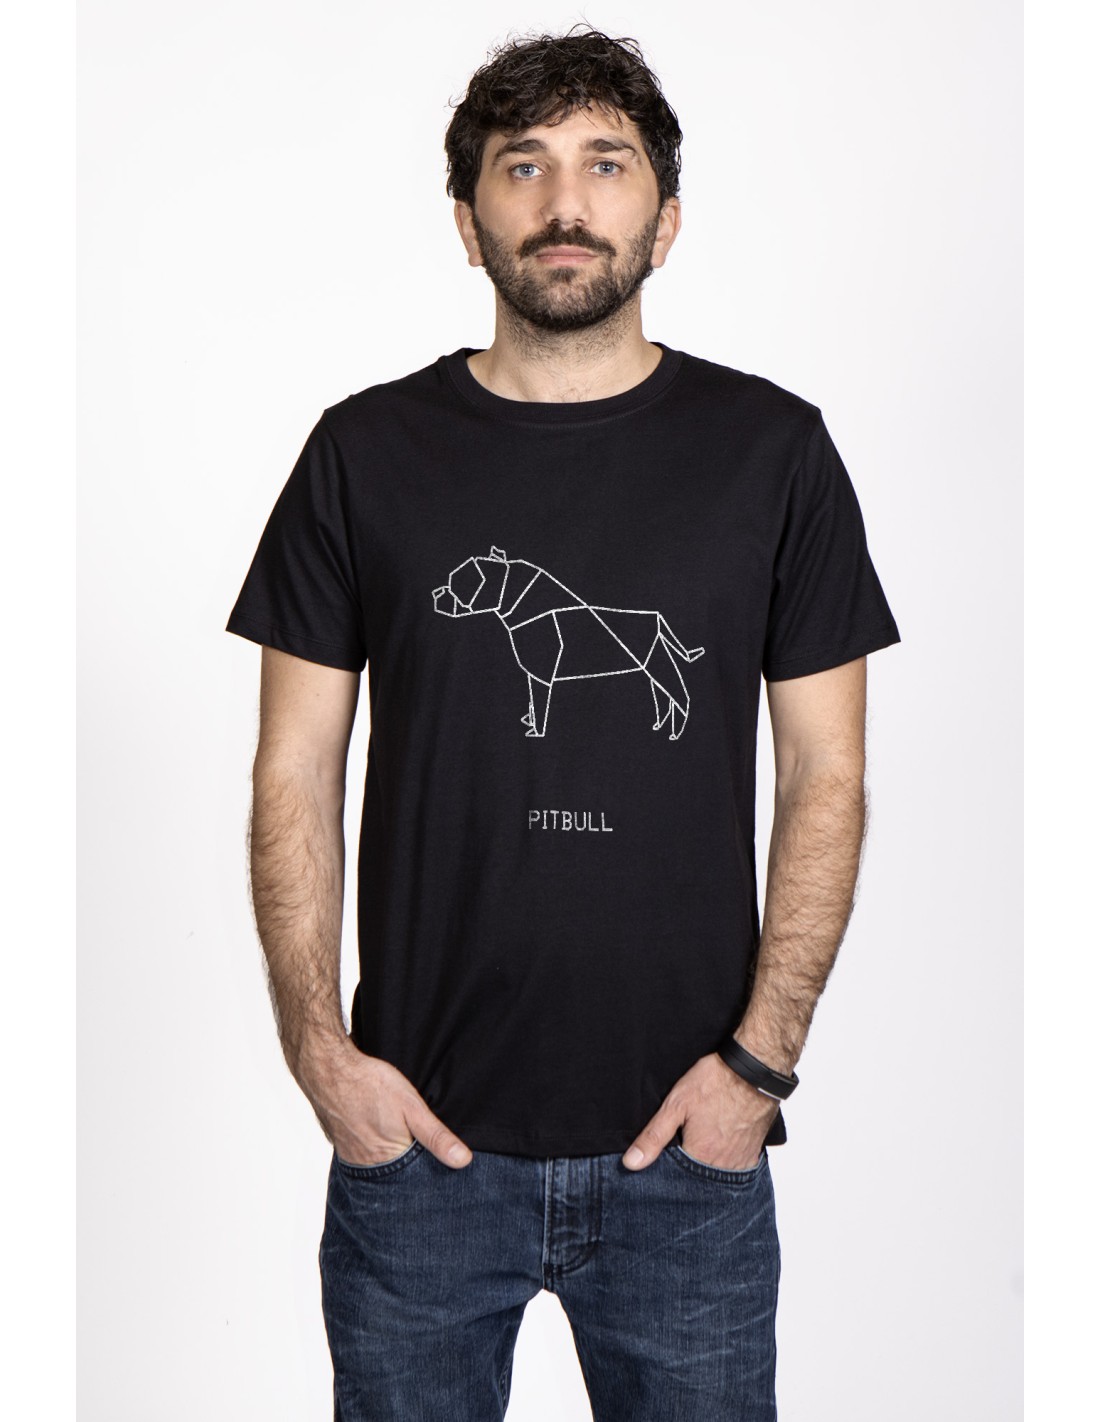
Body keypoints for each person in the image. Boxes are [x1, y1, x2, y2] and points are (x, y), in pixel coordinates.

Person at [226, 26, 900, 1422]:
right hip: (418, 1151)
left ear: (667, 216)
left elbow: (825, 776)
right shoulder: (361, 454)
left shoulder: (774, 454)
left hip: (689, 1154)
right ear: (468, 222)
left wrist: (757, 1071)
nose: (566, 202)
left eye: (607, 163)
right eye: (522, 167)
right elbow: (293, 767)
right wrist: (319, 1055)